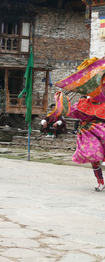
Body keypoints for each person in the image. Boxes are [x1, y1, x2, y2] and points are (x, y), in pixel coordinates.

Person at [52, 57, 105, 191]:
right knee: (94, 158)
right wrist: (60, 99)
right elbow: (68, 111)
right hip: (87, 133)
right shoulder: (82, 104)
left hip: (102, 130)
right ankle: (100, 181)